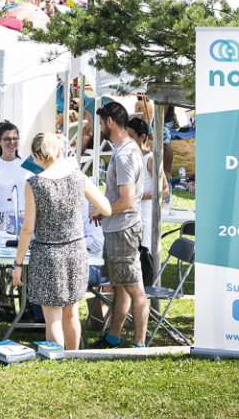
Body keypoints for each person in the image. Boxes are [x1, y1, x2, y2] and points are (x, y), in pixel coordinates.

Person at [11, 132, 110, 350]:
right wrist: (93, 210)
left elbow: (27, 229)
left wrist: (18, 264)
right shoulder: (79, 177)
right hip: (76, 251)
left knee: (53, 318)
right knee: (71, 314)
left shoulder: (34, 184)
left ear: (37, 155)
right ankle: (73, 360)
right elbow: (107, 208)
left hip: (47, 254)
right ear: (58, 150)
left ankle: (56, 362)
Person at [92, 101, 149, 348]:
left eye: (101, 122)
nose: (99, 127)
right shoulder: (125, 149)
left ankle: (139, 346)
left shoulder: (125, 155)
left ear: (110, 122)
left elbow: (126, 201)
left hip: (124, 229)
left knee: (134, 288)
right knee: (121, 286)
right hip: (118, 227)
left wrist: (101, 208)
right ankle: (113, 337)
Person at [127, 116, 169, 251]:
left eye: (131, 136)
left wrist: (140, 196)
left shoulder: (149, 159)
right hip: (131, 212)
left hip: (145, 213)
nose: (127, 140)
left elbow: (165, 189)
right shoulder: (130, 157)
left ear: (142, 136)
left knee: (145, 253)